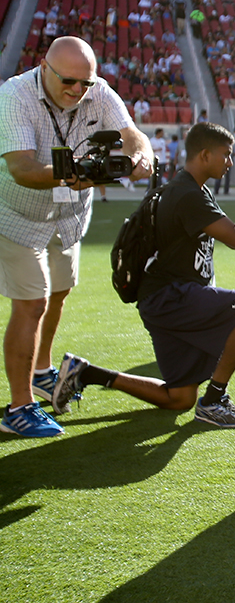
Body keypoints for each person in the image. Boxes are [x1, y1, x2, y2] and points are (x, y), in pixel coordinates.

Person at [52, 122, 235, 429]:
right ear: (204, 154)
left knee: (180, 398)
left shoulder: (188, 189)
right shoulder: (187, 195)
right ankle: (214, 399)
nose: (229, 162)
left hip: (160, 299)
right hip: (171, 296)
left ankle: (87, 373)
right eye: (225, 155)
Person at [0, 36, 154, 437]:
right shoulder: (14, 95)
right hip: (18, 215)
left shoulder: (96, 89)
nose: (77, 90)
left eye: (85, 83)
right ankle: (19, 408)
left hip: (68, 218)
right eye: (68, 81)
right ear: (43, 67)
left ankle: (42, 371)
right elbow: (21, 168)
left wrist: (139, 157)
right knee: (32, 303)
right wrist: (73, 174)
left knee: (59, 293)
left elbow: (132, 133)